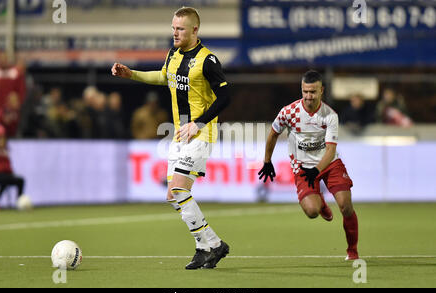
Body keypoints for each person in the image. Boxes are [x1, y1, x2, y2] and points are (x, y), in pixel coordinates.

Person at [112, 7, 230, 269]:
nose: (175, 33)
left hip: (201, 133)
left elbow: (225, 97)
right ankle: (204, 247)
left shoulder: (207, 61)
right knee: (172, 195)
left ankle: (214, 244)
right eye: (173, 28)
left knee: (179, 189)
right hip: (180, 133)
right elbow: (162, 77)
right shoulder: (173, 55)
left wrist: (198, 123)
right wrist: (131, 74)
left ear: (194, 30)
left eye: (180, 29)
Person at [258, 70, 359, 261]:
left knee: (346, 206)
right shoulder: (289, 112)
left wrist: (317, 170)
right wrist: (267, 161)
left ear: (322, 90)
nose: (308, 96)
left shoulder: (329, 116)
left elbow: (330, 150)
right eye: (305, 91)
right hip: (302, 166)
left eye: (312, 92)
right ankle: (320, 203)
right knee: (312, 212)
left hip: (329, 164)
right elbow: (273, 134)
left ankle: (352, 251)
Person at [0, 124, 25, 212]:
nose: (2, 141)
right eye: (0, 139)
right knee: (5, 180)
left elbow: (8, 166)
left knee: (20, 180)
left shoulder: (5, 152)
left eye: (3, 139)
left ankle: (19, 202)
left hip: (5, 175)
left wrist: (10, 173)